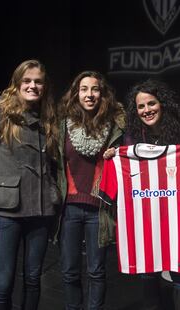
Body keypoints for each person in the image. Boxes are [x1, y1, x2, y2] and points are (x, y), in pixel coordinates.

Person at [103, 79, 180, 310]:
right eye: (141, 106)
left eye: (151, 103)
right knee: (148, 275)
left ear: (162, 104)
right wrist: (114, 158)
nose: (147, 110)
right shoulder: (131, 137)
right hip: (145, 219)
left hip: (177, 220)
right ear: (135, 111)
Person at [0, 59, 60, 310]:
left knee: (33, 280)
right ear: (17, 83)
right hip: (6, 213)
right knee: (3, 284)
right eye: (27, 80)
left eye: (38, 81)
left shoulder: (48, 120)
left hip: (40, 213)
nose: (33, 86)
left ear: (45, 86)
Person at [57, 71, 125, 310]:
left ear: (102, 94)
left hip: (99, 209)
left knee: (96, 272)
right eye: (83, 89)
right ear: (76, 93)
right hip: (70, 209)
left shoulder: (116, 127)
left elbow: (126, 164)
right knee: (69, 271)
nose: (89, 94)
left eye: (94, 89)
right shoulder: (62, 124)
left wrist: (115, 156)